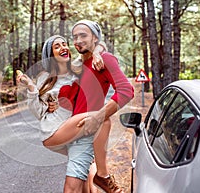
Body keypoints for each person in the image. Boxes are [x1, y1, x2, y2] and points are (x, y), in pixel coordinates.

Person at [18, 29, 133, 192]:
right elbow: (39, 112)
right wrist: (31, 87)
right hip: (53, 131)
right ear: (50, 55)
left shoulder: (77, 68)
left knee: (84, 171)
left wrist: (98, 53)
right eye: (57, 46)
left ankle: (96, 178)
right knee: (103, 119)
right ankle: (103, 175)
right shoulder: (45, 78)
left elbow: (97, 44)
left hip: (70, 129)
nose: (63, 47)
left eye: (64, 44)